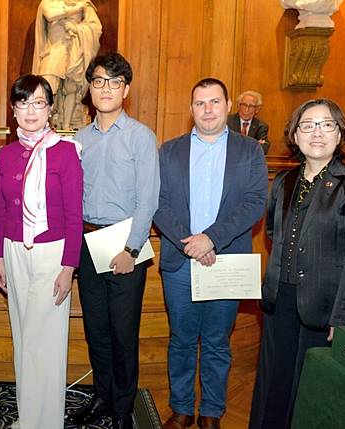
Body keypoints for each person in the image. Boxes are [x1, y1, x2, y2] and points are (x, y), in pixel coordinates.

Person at [249, 98, 345, 429]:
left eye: (326, 124)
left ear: (340, 134)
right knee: (272, 389)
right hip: (280, 302)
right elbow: (274, 235)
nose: (316, 132)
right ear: (295, 134)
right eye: (307, 125)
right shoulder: (283, 181)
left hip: (325, 309)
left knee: (310, 391)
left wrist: (343, 317)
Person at [154, 78, 268, 429]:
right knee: (182, 340)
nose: (207, 109)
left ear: (228, 105)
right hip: (180, 260)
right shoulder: (168, 151)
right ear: (191, 109)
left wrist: (211, 239)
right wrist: (190, 241)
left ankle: (213, 411)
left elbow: (255, 202)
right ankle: (182, 408)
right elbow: (156, 202)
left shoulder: (249, 151)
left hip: (227, 260)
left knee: (218, 341)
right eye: (200, 103)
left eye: (214, 102)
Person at [67, 52, 159, 429]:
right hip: (88, 246)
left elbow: (148, 198)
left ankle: (122, 408)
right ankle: (102, 397)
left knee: (123, 334)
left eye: (115, 81)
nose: (106, 88)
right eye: (99, 81)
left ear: (126, 89)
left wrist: (131, 250)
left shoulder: (140, 137)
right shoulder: (78, 138)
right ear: (90, 88)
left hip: (125, 247)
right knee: (97, 332)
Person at [0, 74, 83, 429]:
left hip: (52, 254)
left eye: (38, 103)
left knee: (43, 342)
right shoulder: (8, 153)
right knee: (23, 335)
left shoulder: (66, 152)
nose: (31, 110)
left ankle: (43, 423)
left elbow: (75, 214)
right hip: (14, 251)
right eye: (23, 102)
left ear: (50, 109)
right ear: (14, 110)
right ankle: (31, 417)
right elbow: (1, 209)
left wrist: (68, 267)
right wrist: (0, 256)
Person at [32, 0, 102, 130]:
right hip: (53, 52)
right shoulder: (49, 2)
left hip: (74, 51)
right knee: (46, 87)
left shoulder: (84, 4)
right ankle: (43, 125)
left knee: (71, 89)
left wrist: (76, 28)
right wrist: (75, 9)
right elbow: (49, 14)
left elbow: (96, 28)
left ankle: (66, 126)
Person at [226, 90, 270, 154]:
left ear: (257, 109)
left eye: (251, 106)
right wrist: (254, 145)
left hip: (249, 163)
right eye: (244, 105)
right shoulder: (227, 121)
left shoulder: (261, 126)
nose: (246, 109)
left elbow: (263, 148)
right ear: (238, 106)